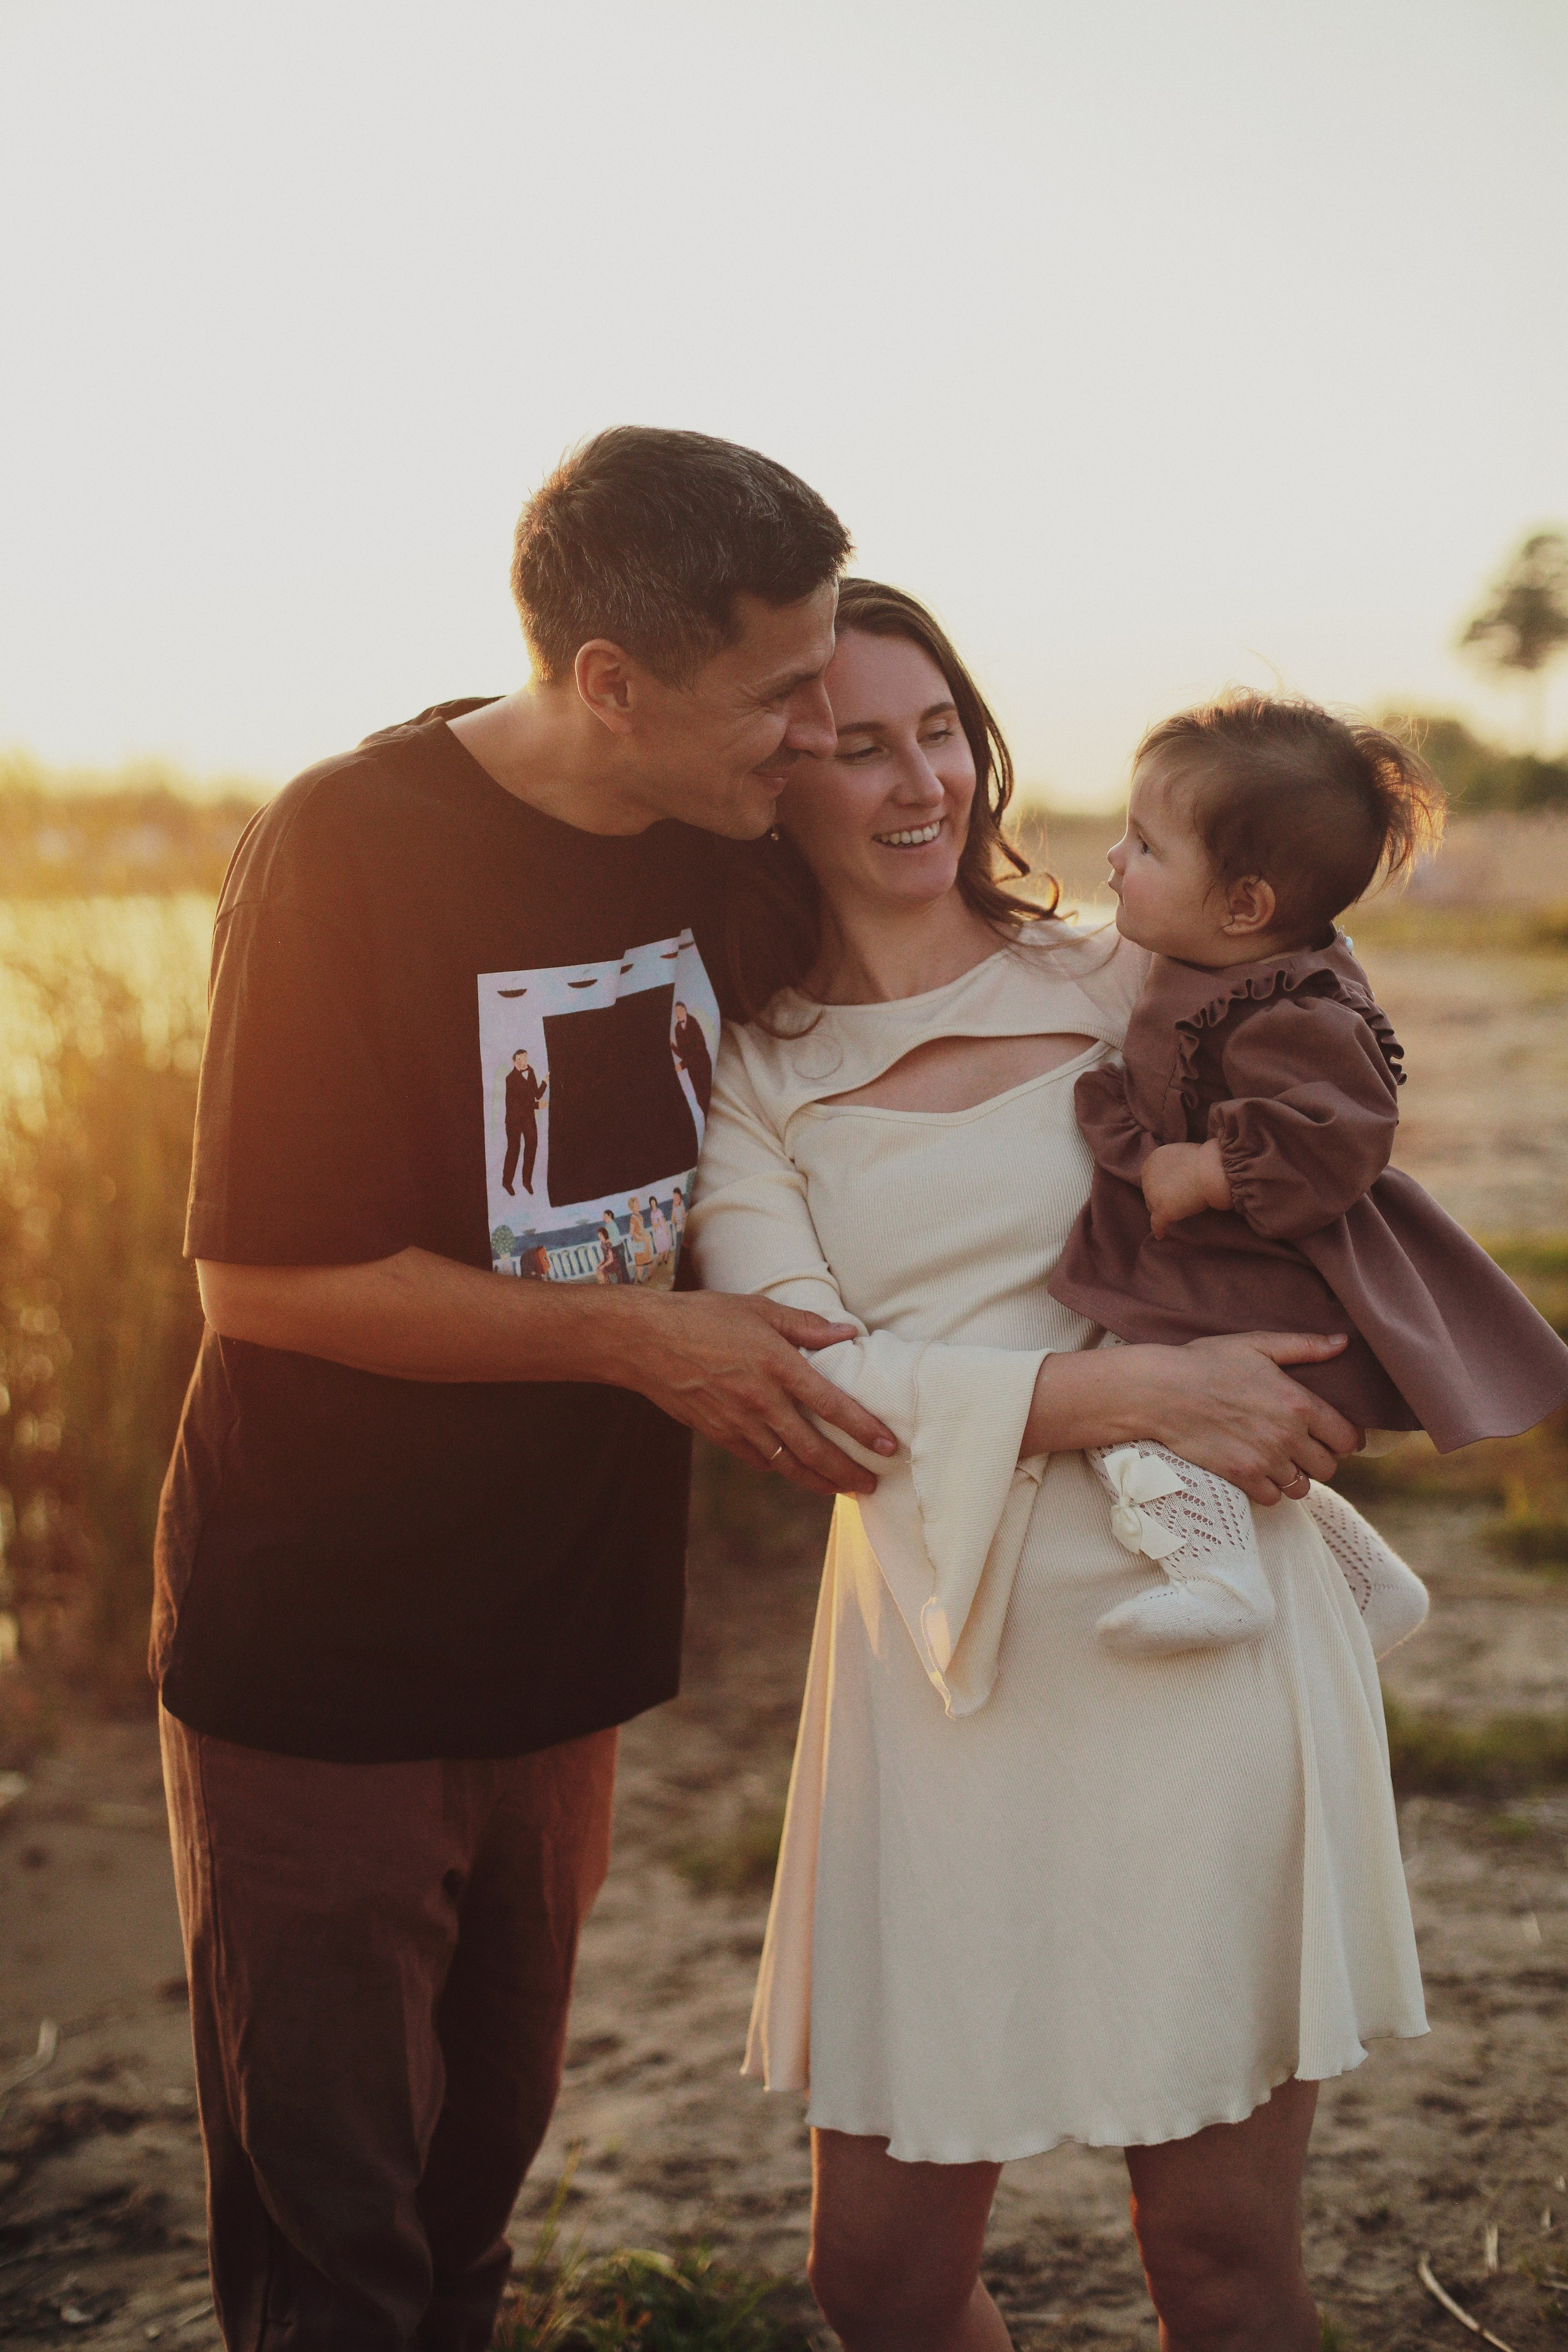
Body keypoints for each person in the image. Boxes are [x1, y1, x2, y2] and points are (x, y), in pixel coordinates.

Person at [151, 429, 903, 2352]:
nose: (808, 735)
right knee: (337, 2248)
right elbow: (261, 1278)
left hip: (562, 1642)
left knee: (475, 2182)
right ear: (609, 683)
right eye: (776, 693)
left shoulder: (718, 848)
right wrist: (640, 1338)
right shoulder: (349, 842)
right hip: (321, 1654)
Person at [689, 579, 1426, 2352]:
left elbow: (1330, 1140)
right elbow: (816, 1387)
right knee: (876, 2279)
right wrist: (1139, 1398)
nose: (918, 778)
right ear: (775, 774)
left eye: (938, 727)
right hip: (937, 1675)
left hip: (1210, 1648)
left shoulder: (1132, 978)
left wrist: (1290, 1353)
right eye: (857, 744)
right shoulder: (748, 1077)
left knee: (1223, 2261)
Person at [1047, 692, 1568, 1659]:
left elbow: (1349, 1129)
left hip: (1251, 1257)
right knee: (1151, 1393)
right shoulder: (1207, 954)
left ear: (1246, 906)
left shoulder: (1298, 1009)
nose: (1116, 860)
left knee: (1133, 1400)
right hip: (1215, 1247)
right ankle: (1371, 1582)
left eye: (1146, 847)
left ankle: (1219, 1576)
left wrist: (1208, 1168)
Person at [502, 1047, 548, 1195]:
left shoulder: (531, 1071)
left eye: (525, 1057)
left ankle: (526, 1181)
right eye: (520, 1059)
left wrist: (545, 1082)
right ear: (514, 1062)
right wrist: (536, 1106)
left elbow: (537, 1095)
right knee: (514, 1150)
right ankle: (507, 1182)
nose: (524, 1061)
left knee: (532, 1145)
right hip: (514, 1120)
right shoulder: (510, 1079)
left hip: (528, 1118)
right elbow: (516, 1104)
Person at [672, 995, 714, 1112]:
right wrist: (672, 1046)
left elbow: (699, 1049)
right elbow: (683, 1053)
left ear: (685, 1010)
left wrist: (683, 1064)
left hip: (703, 1066)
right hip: (693, 1071)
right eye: (676, 1012)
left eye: (680, 1011)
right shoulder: (677, 1029)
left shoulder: (693, 1023)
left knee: (708, 1098)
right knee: (700, 1100)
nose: (678, 1014)